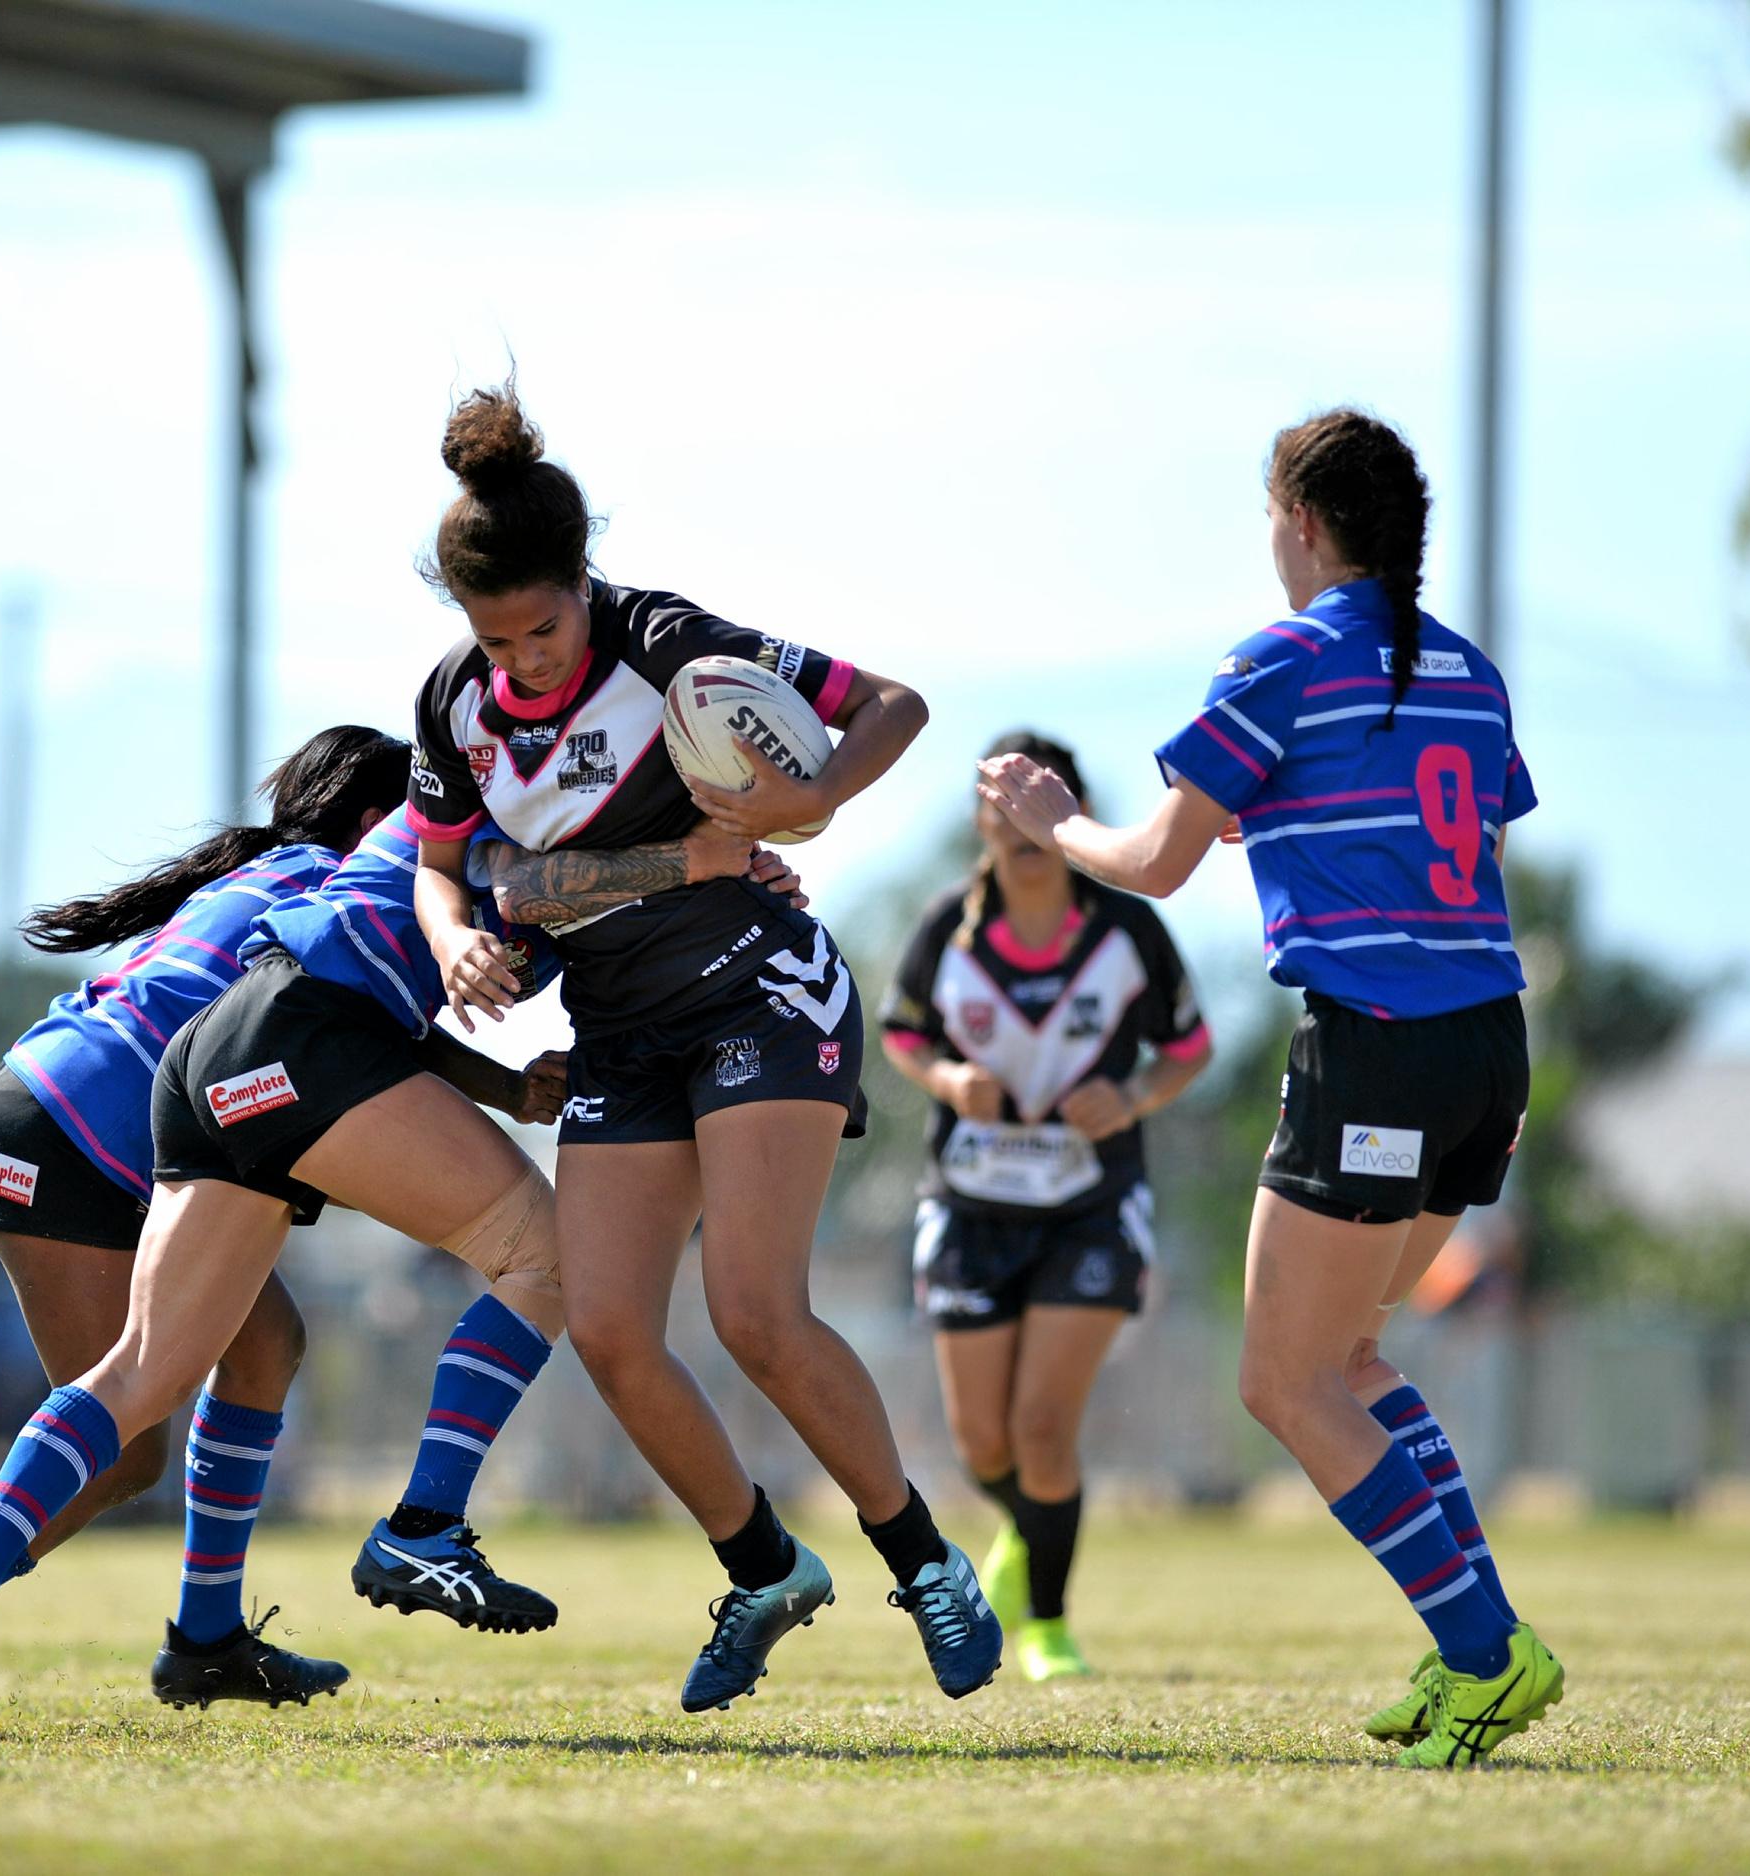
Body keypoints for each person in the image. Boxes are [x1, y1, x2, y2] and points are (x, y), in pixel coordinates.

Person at [0, 727, 812, 1730]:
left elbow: (380, 1013)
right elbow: (398, 981)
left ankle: (162, 1632)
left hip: (99, 1093)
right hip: (103, 1121)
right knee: (146, 1431)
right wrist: (700, 865)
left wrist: (523, 1072)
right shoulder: (420, 848)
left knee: (235, 1356)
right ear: (382, 818)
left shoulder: (307, 872)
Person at [978, 408, 1564, 1768]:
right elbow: (1434, 826)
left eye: (1267, 520)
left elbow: (1157, 861)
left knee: (1282, 1382)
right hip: (1486, 1046)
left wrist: (1045, 817)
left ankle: (1486, 1652)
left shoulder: (1282, 657)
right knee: (1350, 1360)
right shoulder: (1467, 673)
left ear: (1301, 522)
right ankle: (1467, 1644)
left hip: (1376, 1041)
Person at [408, 381, 1004, 1712]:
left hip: (758, 993)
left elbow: (890, 705)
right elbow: (450, 875)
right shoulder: (453, 704)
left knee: (750, 1310)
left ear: (583, 582)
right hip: (620, 1031)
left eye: (543, 628)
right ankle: (762, 1569)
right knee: (611, 1330)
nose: (524, 663)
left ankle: (920, 1560)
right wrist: (455, 937)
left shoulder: (668, 643)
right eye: (494, 640)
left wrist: (813, 797)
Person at [879, 730, 1211, 1682]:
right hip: (971, 1205)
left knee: (1040, 1428)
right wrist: (945, 1076)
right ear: (980, 820)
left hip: (1090, 1206)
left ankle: (1047, 1624)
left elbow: (1190, 1048)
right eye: (998, 799)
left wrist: (1136, 1096)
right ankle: (1032, 1527)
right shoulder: (947, 925)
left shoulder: (1128, 929)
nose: (1015, 820)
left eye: (1036, 797)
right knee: (981, 1441)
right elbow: (901, 1035)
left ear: (1067, 811)